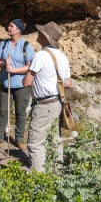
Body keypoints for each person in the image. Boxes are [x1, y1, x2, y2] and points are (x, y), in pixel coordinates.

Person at [23, 21, 71, 172]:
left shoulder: (41, 55)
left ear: (45, 37)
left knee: (36, 142)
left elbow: (27, 81)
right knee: (55, 139)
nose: (37, 34)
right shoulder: (62, 57)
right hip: (57, 101)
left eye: (40, 33)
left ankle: (40, 178)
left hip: (43, 104)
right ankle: (57, 172)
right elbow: (68, 82)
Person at [0, 19, 35, 151]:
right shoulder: (3, 44)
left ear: (18, 30)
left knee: (20, 112)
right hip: (5, 84)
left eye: (11, 26)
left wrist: (13, 70)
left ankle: (19, 139)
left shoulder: (26, 46)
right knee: (3, 112)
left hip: (21, 85)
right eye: (8, 25)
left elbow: (30, 66)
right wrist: (3, 63)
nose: (9, 28)